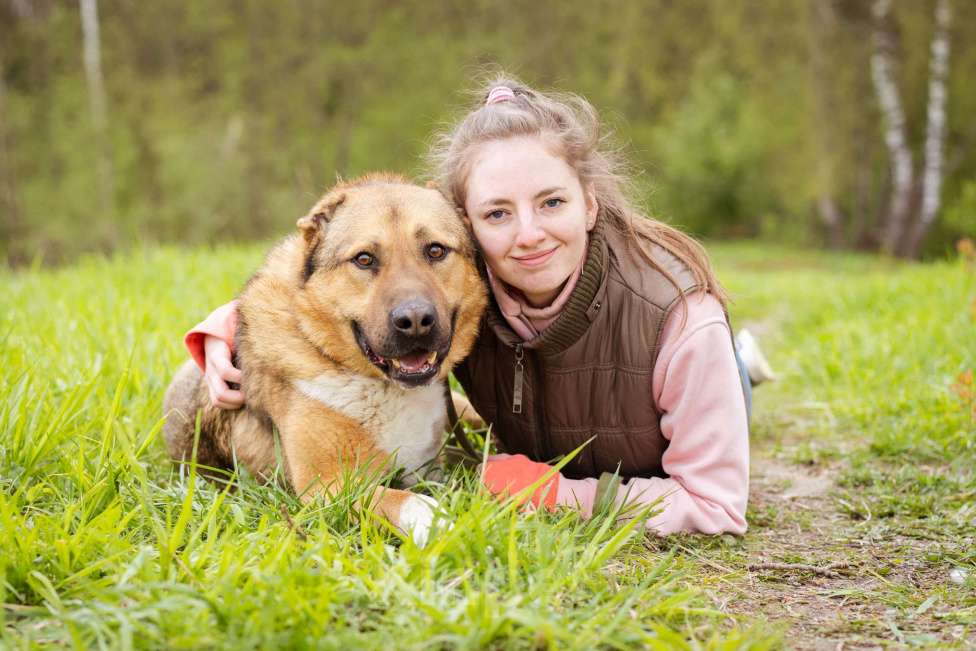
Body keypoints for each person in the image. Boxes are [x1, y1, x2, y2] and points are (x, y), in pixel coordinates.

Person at [183, 75, 776, 535]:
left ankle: (733, 368)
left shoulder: (677, 321)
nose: (528, 235)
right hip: (560, 433)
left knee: (712, 376)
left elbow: (714, 504)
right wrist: (221, 335)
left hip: (659, 424)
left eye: (552, 202)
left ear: (590, 204)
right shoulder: (468, 284)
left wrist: (552, 493)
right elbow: (314, 283)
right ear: (472, 227)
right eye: (498, 213)